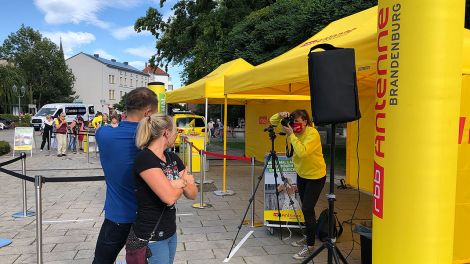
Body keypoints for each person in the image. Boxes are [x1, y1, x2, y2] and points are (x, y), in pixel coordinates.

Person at [93, 87, 158, 264]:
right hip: (147, 219)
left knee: (101, 261)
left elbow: (101, 130)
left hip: (117, 216)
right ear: (148, 112)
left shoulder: (104, 134)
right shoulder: (154, 140)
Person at [133, 113, 198, 264]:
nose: (177, 135)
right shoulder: (145, 159)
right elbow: (169, 198)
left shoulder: (172, 158)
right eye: (175, 131)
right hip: (152, 235)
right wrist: (183, 181)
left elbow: (193, 193)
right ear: (166, 133)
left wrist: (175, 184)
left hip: (170, 232)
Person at [269, 109, 326, 260]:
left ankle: (310, 245)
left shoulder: (312, 133)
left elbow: (302, 152)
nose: (296, 126)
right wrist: (279, 115)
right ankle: (308, 236)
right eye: (294, 123)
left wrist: (291, 135)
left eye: (299, 123)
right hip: (302, 175)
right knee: (306, 208)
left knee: (308, 208)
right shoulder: (293, 129)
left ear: (306, 121)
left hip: (316, 176)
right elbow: (272, 122)